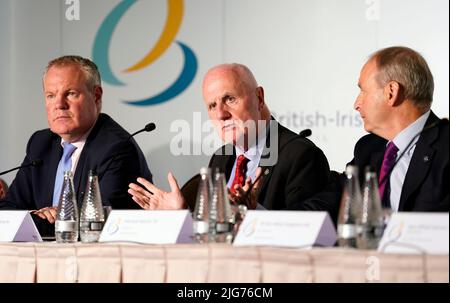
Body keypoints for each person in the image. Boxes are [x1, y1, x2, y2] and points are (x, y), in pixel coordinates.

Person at [128, 63, 335, 215]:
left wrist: (253, 214)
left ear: (259, 98)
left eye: (230, 99)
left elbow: (308, 231)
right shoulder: (221, 158)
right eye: (212, 106)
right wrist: (183, 214)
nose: (220, 114)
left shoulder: (300, 155)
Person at [0, 55, 152, 235]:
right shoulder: (41, 143)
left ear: (96, 96)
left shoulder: (117, 148)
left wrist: (49, 219)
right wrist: (37, 215)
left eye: (70, 94)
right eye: (50, 95)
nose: (59, 104)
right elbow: (7, 211)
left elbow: (96, 224)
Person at [350, 46, 448, 211]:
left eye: (363, 91)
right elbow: (338, 196)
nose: (356, 105)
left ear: (391, 92)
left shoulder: (445, 148)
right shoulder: (367, 149)